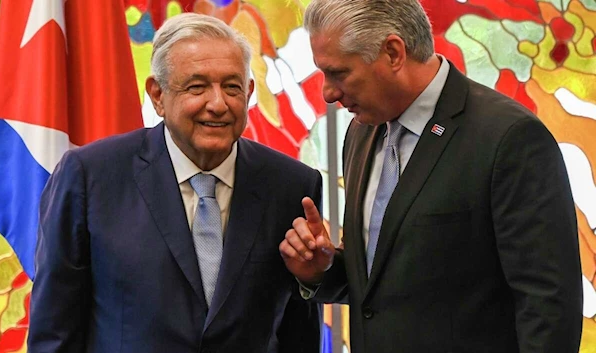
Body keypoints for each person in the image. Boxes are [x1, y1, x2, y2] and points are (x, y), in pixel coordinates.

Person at [279, 0, 583, 352]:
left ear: (393, 52)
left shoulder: (508, 138)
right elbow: (390, 282)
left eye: (338, 73)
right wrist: (323, 270)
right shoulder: (361, 133)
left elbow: (549, 306)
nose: (327, 93)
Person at [28, 13, 323, 353]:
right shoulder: (90, 177)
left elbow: (300, 332)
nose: (218, 104)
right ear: (157, 95)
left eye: (232, 87)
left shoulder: (291, 185)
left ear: (249, 92)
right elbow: (55, 331)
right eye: (197, 87)